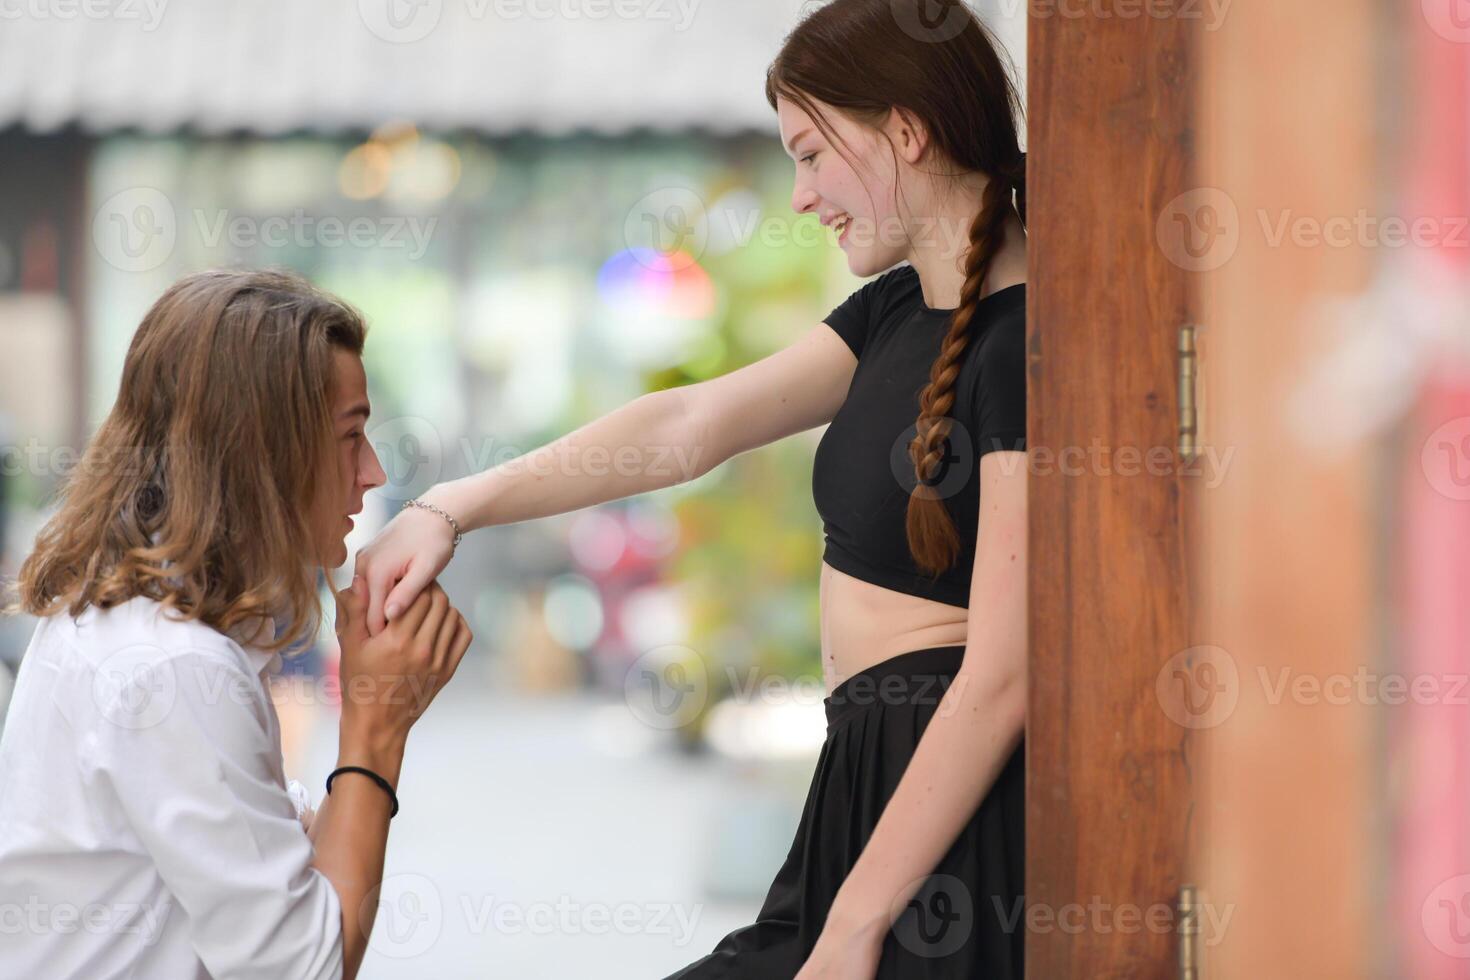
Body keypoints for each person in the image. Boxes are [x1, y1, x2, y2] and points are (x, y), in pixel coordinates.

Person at [356, 0, 1028, 975]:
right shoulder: (894, 308)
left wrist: (854, 922)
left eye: (810, 151)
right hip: (860, 787)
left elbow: (1006, 675)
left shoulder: (1023, 344)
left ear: (906, 130)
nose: (801, 195)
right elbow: (684, 427)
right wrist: (450, 504)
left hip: (943, 829)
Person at [0, 269, 473, 979]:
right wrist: (377, 723)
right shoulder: (174, 664)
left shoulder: (138, 619)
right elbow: (307, 966)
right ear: (263, 454)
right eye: (351, 437)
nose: (372, 472)